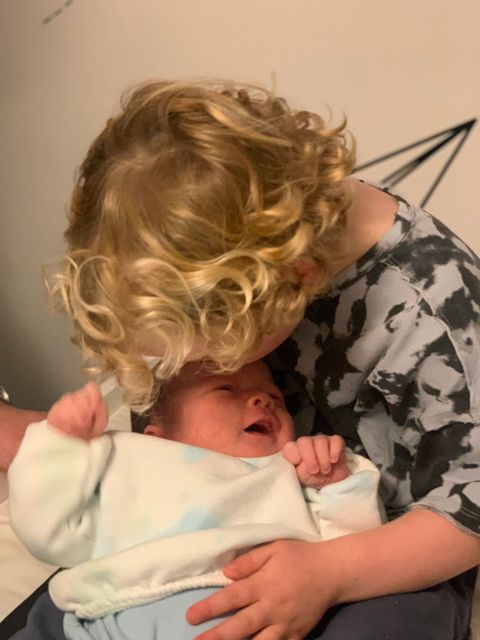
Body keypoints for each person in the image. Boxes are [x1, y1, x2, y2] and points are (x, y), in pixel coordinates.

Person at [4, 79, 480, 639]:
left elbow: (470, 510)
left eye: (210, 352)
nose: (193, 365)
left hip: (381, 543)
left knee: (395, 622)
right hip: (239, 504)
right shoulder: (262, 233)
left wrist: (331, 572)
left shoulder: (438, 316)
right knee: (70, 600)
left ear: (295, 282)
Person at [7, 360, 383, 640]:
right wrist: (59, 445)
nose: (263, 400)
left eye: (275, 397)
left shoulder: (289, 476)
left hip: (253, 611)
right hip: (118, 612)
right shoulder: (134, 464)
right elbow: (46, 529)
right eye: (225, 389)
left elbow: (353, 554)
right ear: (158, 437)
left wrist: (336, 483)